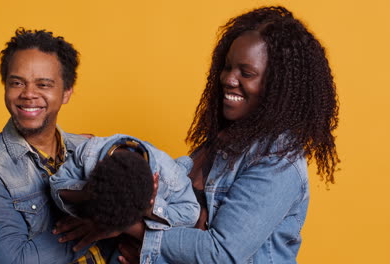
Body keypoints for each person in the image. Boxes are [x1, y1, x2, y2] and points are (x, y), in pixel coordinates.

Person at [117, 6, 340, 264]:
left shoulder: (278, 161)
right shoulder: (220, 145)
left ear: (278, 86)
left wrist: (126, 226)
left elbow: (220, 252)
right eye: (227, 67)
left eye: (246, 73)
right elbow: (182, 227)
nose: (229, 79)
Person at [0, 28, 101, 263]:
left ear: (66, 92)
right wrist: (103, 222)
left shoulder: (89, 149)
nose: (28, 94)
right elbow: (15, 260)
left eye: (43, 84)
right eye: (17, 83)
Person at [49, 134, 200, 263]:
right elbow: (57, 184)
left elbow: (190, 214)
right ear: (97, 167)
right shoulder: (89, 152)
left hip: (165, 192)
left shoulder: (171, 178)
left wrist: (149, 210)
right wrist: (87, 192)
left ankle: (183, 164)